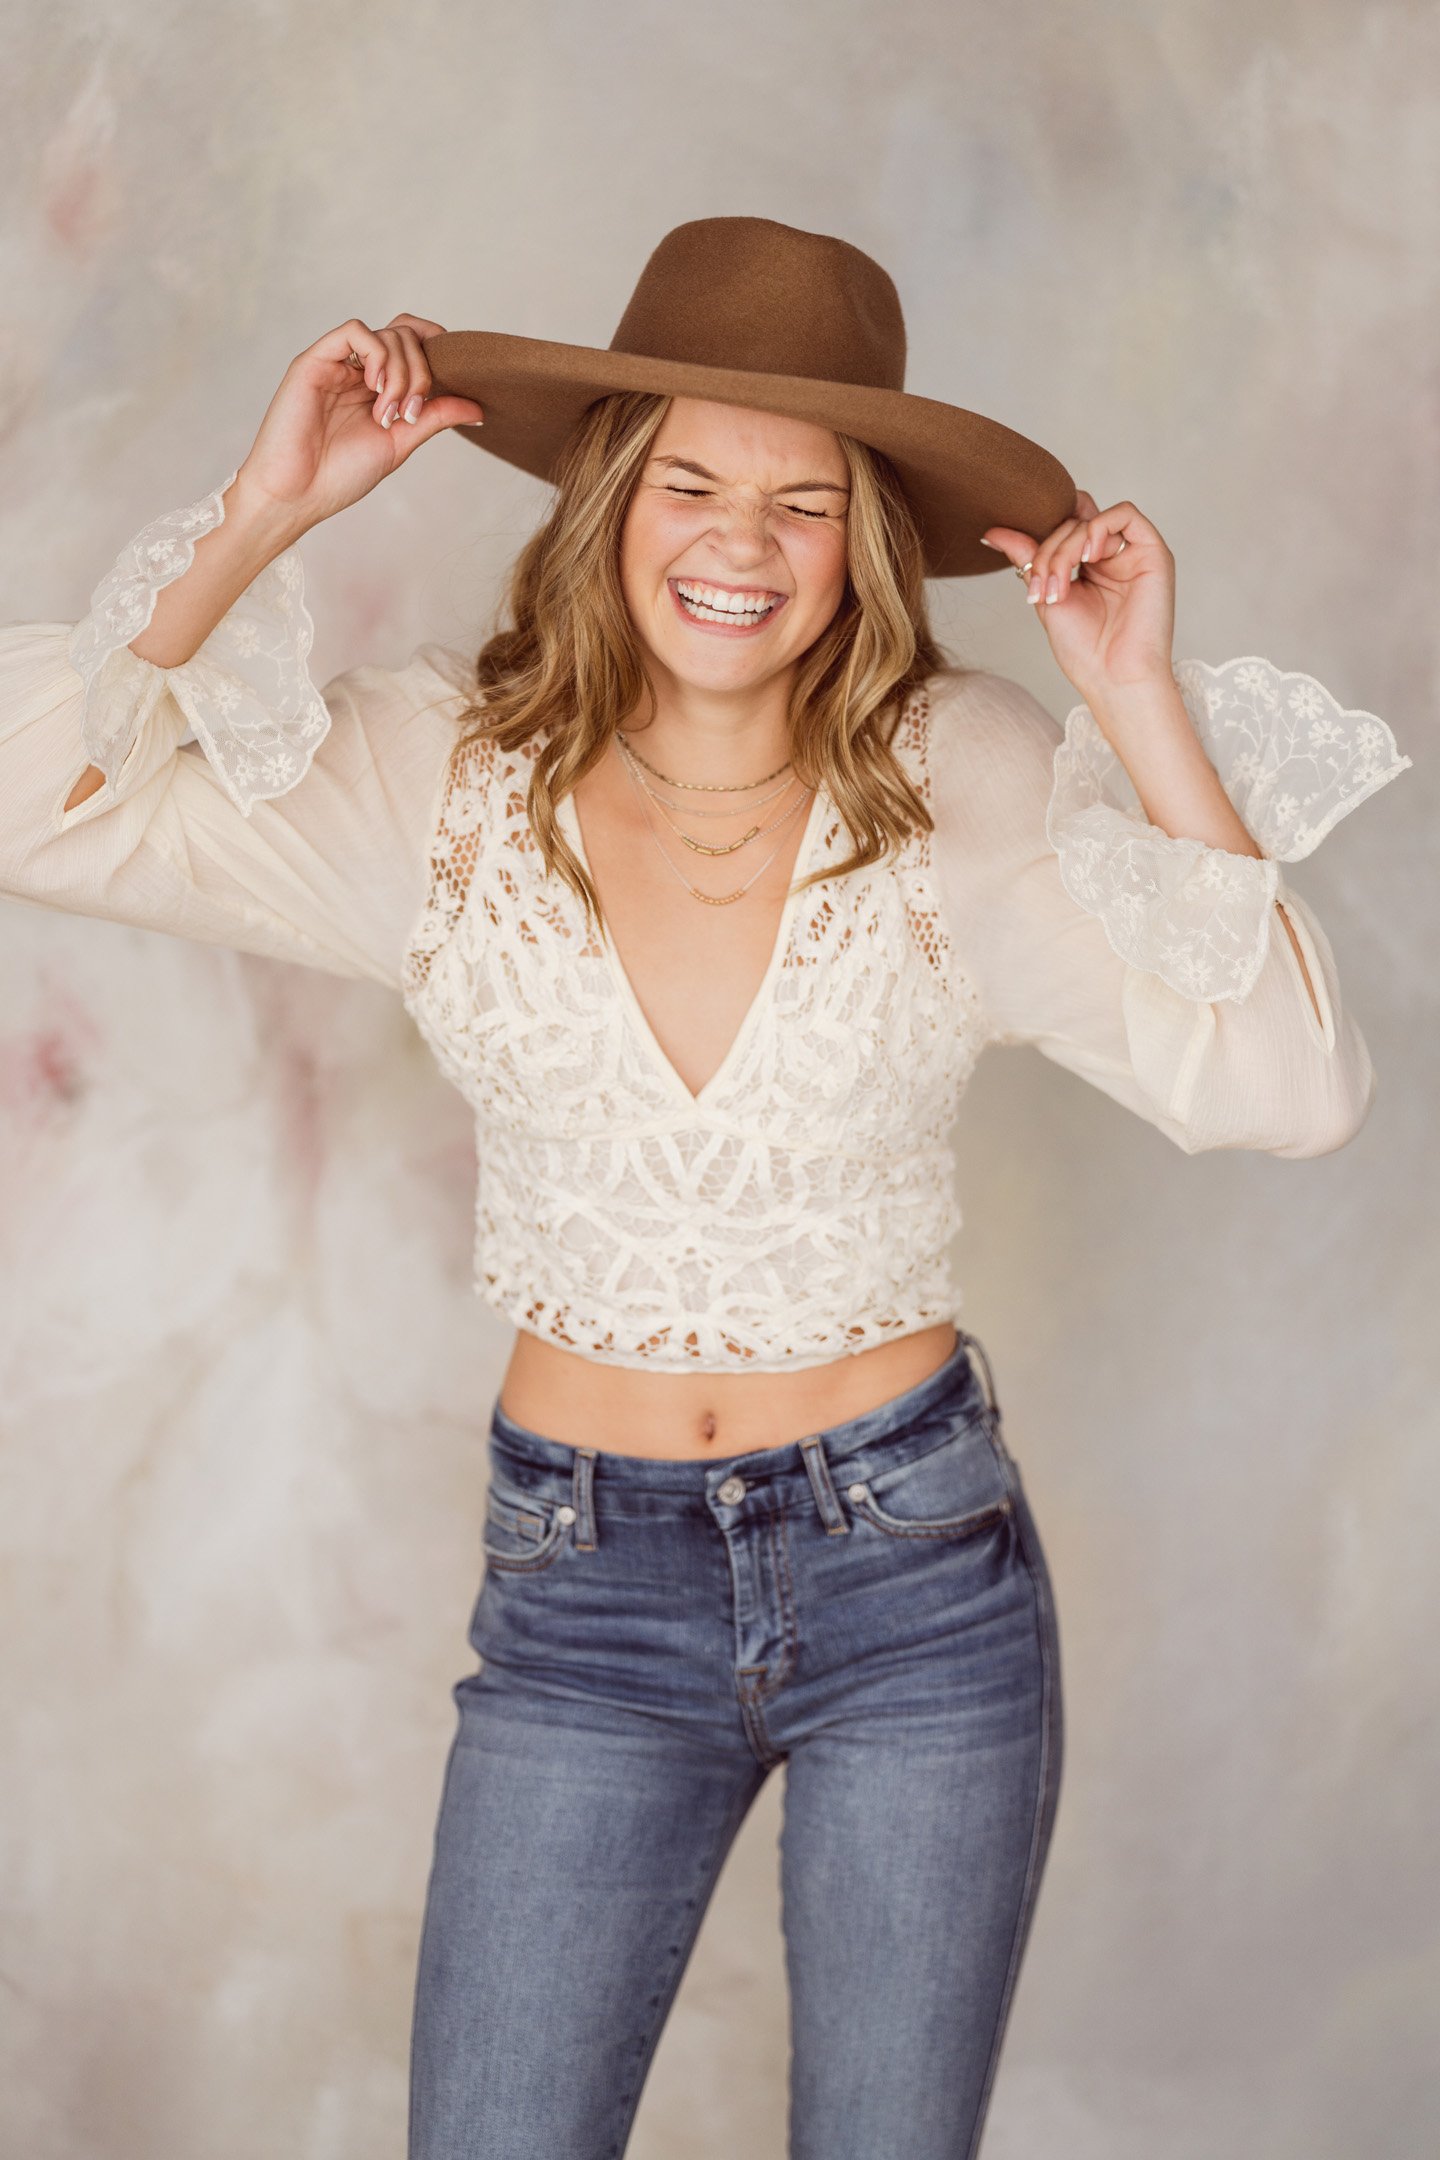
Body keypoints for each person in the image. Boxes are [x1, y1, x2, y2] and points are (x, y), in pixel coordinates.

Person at [1, 217, 1410, 2159]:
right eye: (687, 480)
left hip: (914, 1581)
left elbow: (1295, 1088)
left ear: (863, 546)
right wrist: (261, 511)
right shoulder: (446, 772)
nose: (735, 543)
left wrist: (1140, 702)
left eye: (799, 500)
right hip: (585, 1601)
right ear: (610, 498)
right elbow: (36, 804)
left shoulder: (969, 782)